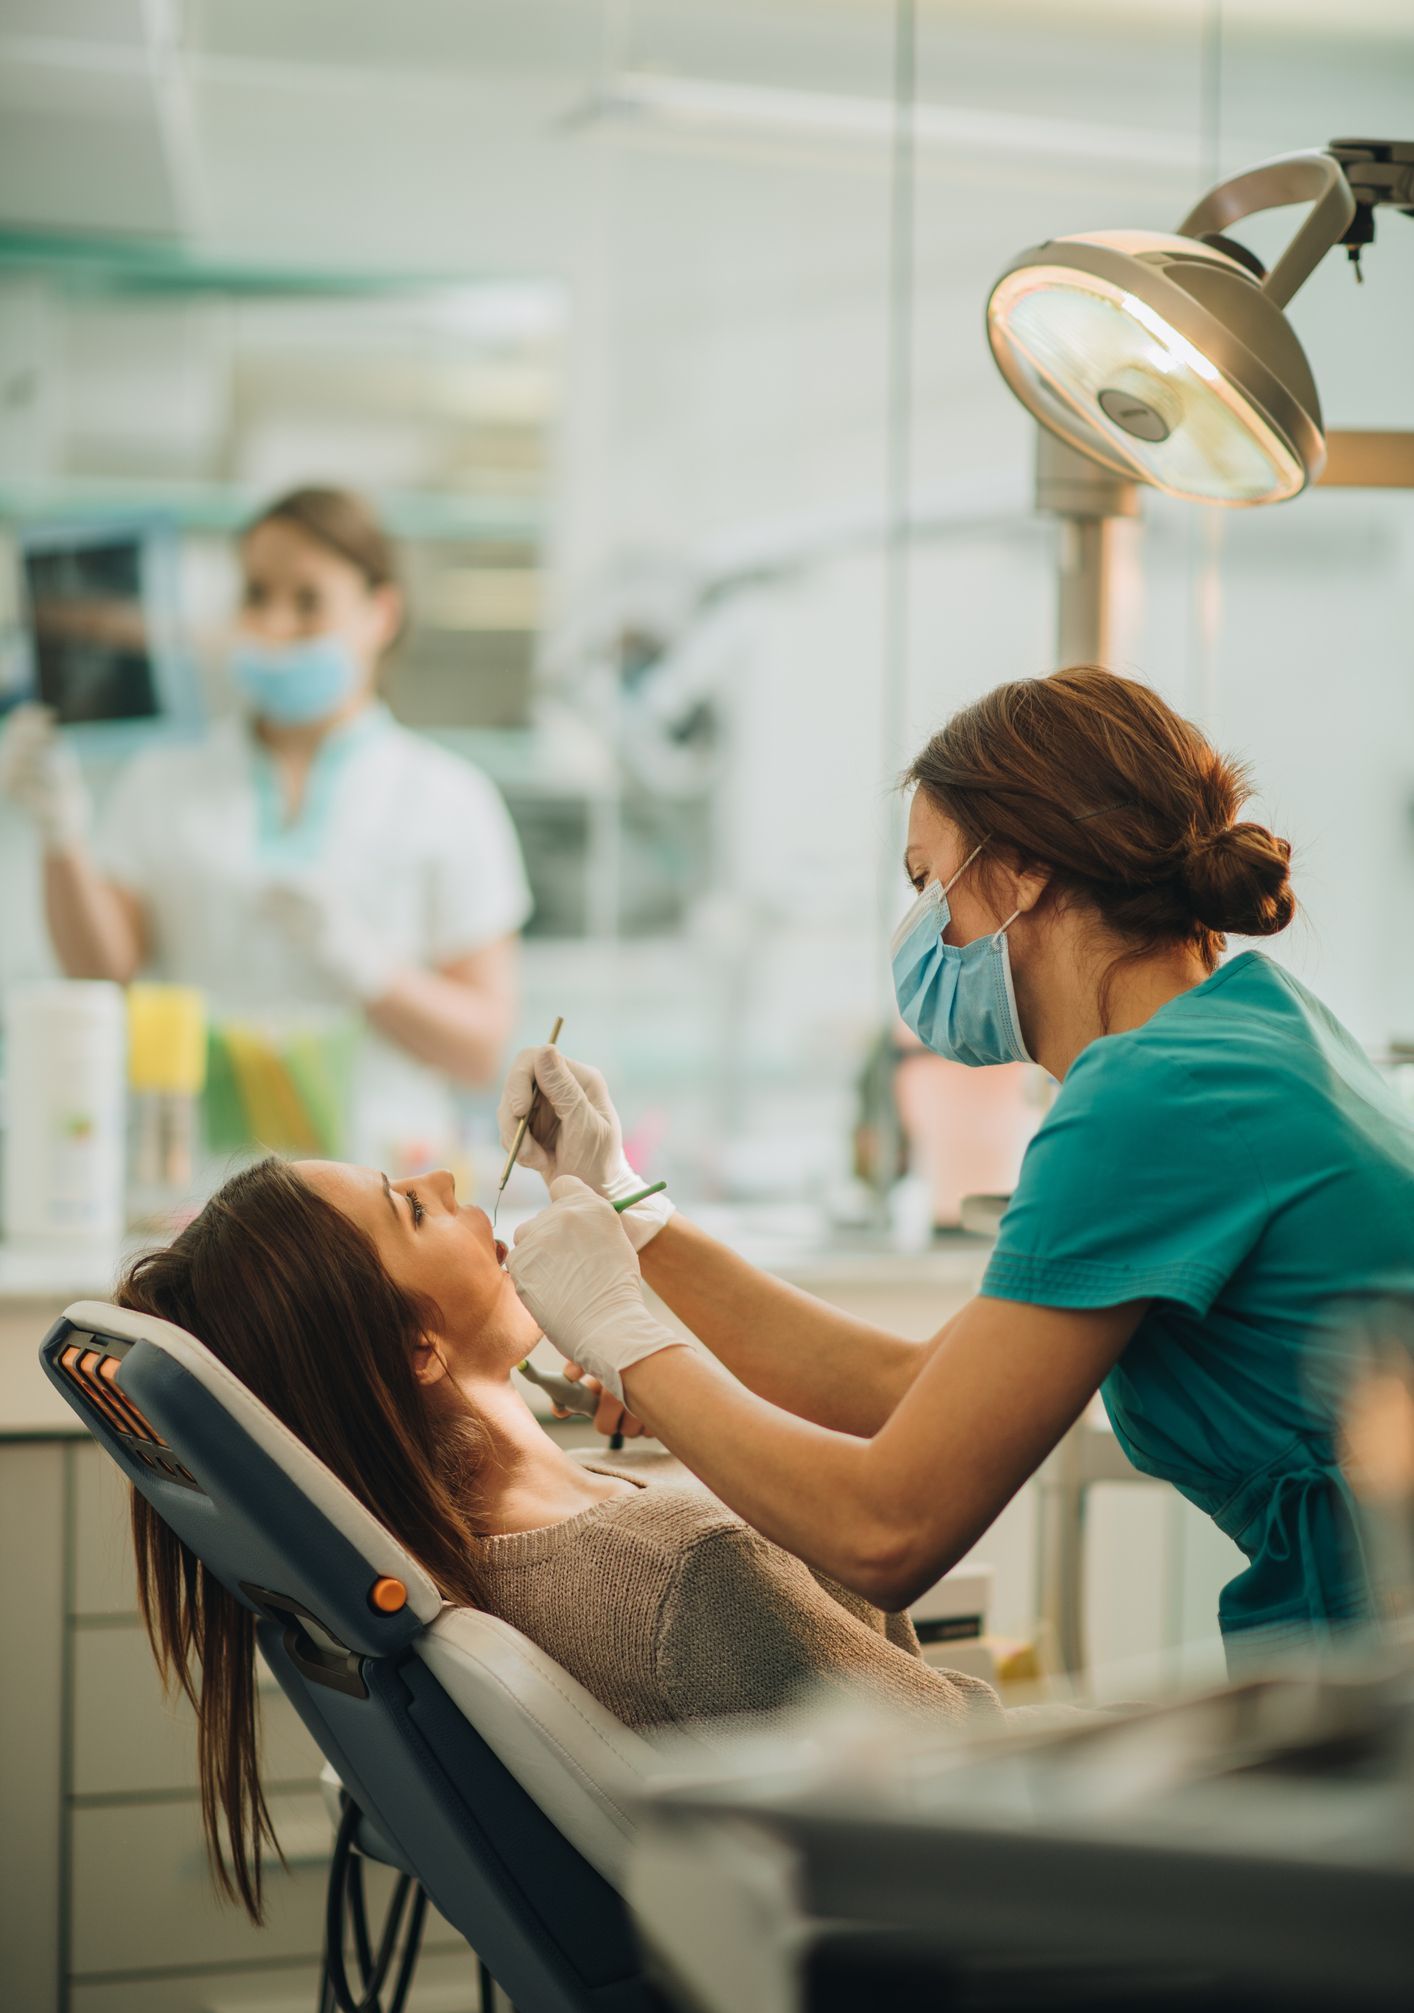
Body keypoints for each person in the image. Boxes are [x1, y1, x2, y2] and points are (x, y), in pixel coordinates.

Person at [500, 666, 1414, 1668]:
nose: (923, 927)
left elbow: (887, 1531)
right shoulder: (1250, 1032)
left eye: (926, 880)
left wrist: (624, 1339)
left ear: (1022, 869)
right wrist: (621, 1201)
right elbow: (906, 1386)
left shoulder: (1150, 1097)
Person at [116, 1156, 999, 1918]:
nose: (446, 1179)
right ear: (417, 1347)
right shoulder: (681, 1568)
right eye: (412, 1207)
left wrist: (676, 1399)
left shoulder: (475, 1547)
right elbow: (974, 1787)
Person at [0, 486, 531, 1162]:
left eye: (308, 601)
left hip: (382, 1191)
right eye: (257, 595)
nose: (276, 623)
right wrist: (62, 836)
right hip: (198, 1191)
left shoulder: (449, 799)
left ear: (381, 612)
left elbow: (481, 1047)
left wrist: (365, 965)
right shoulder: (165, 777)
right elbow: (104, 972)